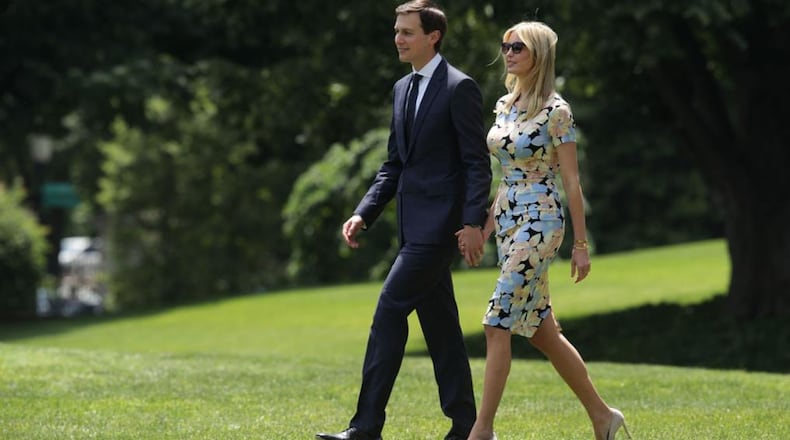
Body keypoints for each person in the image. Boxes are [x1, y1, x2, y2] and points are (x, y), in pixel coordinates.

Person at [315, 2, 492, 440]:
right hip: (410, 226)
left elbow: (476, 163)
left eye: (407, 32)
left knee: (389, 310)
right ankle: (467, 426)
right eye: (397, 31)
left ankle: (366, 427)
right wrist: (363, 213)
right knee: (442, 328)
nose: (398, 39)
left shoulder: (459, 87)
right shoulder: (401, 89)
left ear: (433, 36)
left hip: (440, 229)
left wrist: (472, 223)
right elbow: (394, 164)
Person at [458, 21, 632, 440]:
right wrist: (484, 226)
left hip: (542, 221)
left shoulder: (557, 111)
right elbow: (506, 177)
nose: (508, 52)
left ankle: (481, 431)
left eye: (518, 46)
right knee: (542, 332)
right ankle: (603, 416)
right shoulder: (504, 105)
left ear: (539, 54)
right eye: (505, 46)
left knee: (496, 322)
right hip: (509, 219)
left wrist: (581, 244)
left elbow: (572, 182)